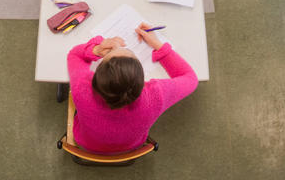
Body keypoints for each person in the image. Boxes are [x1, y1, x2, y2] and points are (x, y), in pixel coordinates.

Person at [67, 23, 198, 153]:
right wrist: (158, 45)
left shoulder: (82, 88)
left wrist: (97, 49)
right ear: (142, 81)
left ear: (96, 76)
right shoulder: (155, 96)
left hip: (87, 143)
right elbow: (190, 78)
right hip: (132, 146)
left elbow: (74, 55)